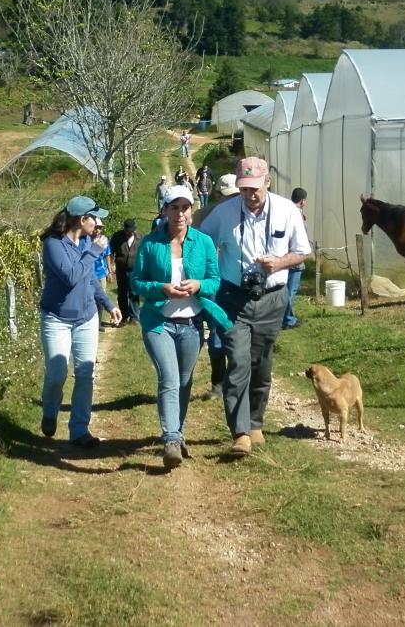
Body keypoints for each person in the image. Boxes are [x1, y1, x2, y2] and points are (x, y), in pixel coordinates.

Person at [199, 156, 311, 458]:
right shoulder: (223, 214)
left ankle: (255, 421)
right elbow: (200, 241)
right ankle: (240, 433)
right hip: (233, 298)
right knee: (237, 361)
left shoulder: (287, 211)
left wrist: (279, 263)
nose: (250, 195)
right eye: (244, 189)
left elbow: (303, 251)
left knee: (262, 364)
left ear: (268, 183)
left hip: (272, 298)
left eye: (255, 189)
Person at [132, 184, 230, 469]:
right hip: (158, 322)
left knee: (185, 382)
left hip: (191, 324)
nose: (179, 213)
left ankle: (178, 431)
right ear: (164, 210)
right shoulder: (150, 244)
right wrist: (161, 288)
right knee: (169, 378)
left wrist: (199, 284)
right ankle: (171, 439)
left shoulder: (203, 242)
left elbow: (215, 279)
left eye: (185, 207)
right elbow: (137, 282)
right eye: (174, 207)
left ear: (191, 211)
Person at [38, 194, 121, 448]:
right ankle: (50, 410)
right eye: (95, 218)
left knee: (86, 373)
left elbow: (88, 279)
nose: (98, 224)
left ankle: (79, 430)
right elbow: (72, 276)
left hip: (86, 317)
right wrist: (95, 250)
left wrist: (108, 304)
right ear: (82, 219)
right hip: (57, 319)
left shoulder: (86, 242)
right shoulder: (53, 245)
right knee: (57, 373)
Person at [195, 171, 244, 398]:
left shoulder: (248, 214)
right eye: (228, 195)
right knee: (216, 334)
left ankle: (238, 381)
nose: (234, 198)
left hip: (238, 284)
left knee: (238, 333)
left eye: (237, 194)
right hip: (213, 283)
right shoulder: (203, 216)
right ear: (217, 195)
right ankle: (218, 383)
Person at [282, 187, 308, 329]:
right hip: (295, 259)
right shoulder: (296, 215)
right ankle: (287, 320)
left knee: (285, 290)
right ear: (303, 201)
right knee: (290, 291)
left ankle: (284, 317)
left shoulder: (286, 211)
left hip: (284, 257)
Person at [109, 218, 141, 324]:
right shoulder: (117, 237)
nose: (130, 232)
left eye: (131, 231)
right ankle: (124, 315)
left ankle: (134, 317)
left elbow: (144, 253)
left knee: (134, 292)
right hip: (121, 269)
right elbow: (111, 252)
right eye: (128, 230)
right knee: (122, 293)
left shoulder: (140, 238)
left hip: (135, 269)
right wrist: (111, 266)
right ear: (124, 229)